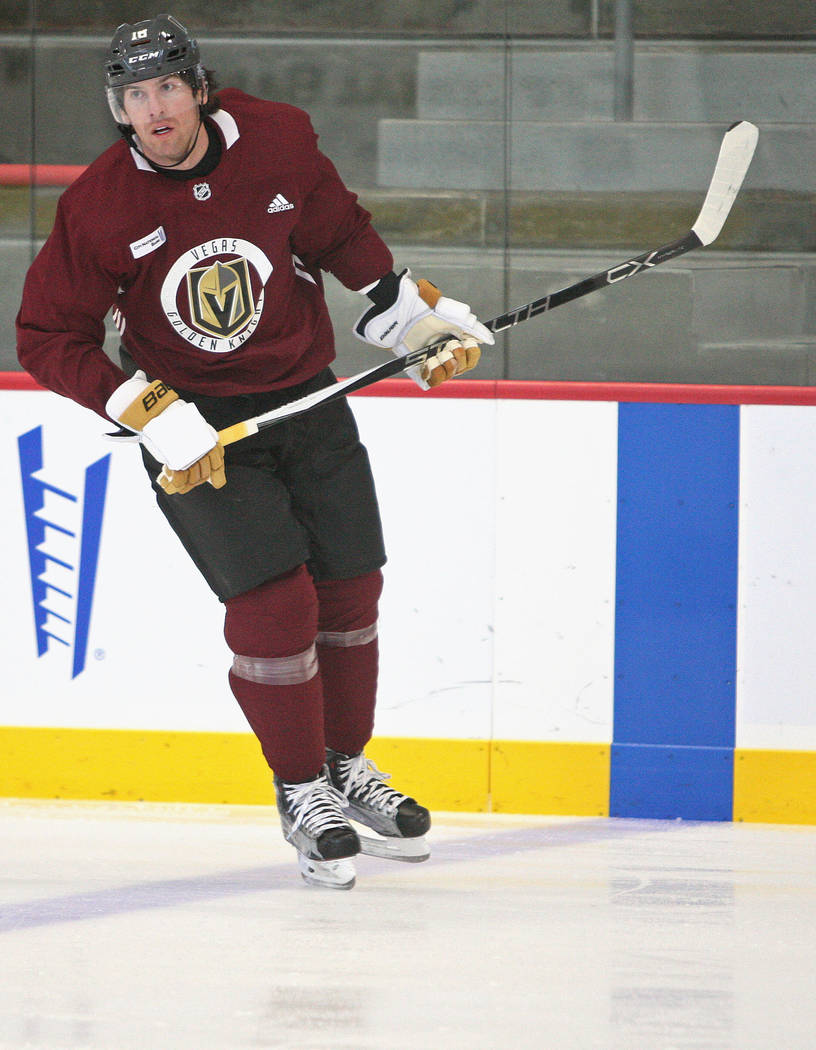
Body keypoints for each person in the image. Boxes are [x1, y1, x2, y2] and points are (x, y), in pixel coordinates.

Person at [15, 14, 493, 890]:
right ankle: (301, 789)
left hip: (305, 399)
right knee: (276, 607)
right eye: (134, 95)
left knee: (351, 588)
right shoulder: (100, 205)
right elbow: (48, 335)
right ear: (119, 110)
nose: (153, 108)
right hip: (199, 436)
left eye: (167, 86)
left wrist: (407, 315)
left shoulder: (276, 139)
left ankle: (344, 767)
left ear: (199, 89)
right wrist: (146, 409)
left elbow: (338, 235)